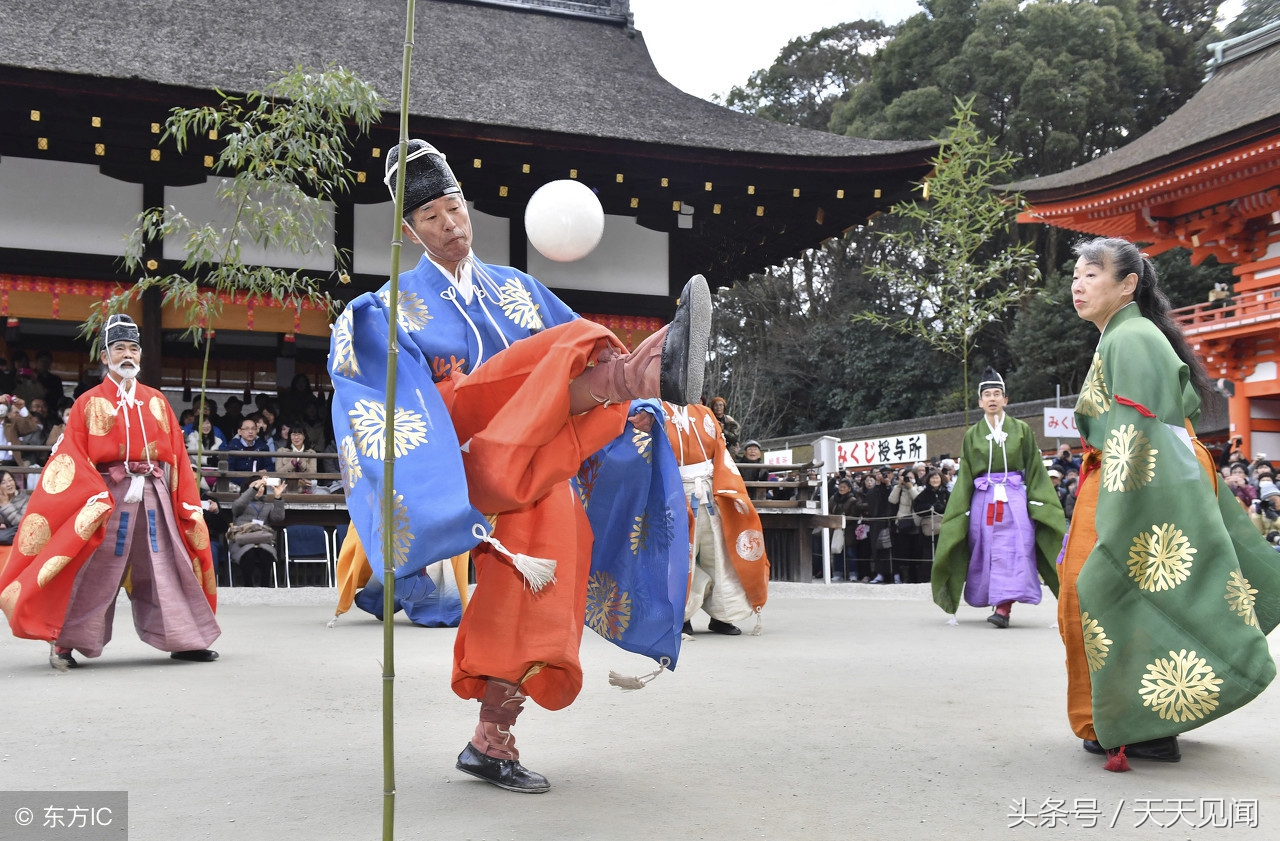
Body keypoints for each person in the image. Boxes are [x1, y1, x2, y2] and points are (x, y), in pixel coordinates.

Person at [329, 139, 708, 793]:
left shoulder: (518, 290)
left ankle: (492, 734)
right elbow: (384, 403)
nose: (449, 227)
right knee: (547, 357)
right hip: (466, 456)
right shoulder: (390, 308)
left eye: (454, 210)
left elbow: (573, 350)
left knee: (547, 574)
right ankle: (640, 372)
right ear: (408, 231)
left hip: (531, 465)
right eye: (430, 219)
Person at [1057, 237, 1280, 770]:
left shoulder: (1131, 338)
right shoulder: (1129, 334)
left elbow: (1140, 433)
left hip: (1133, 480)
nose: (1078, 286)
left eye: (1091, 275)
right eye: (1074, 278)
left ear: (1128, 284)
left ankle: (1142, 726)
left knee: (1111, 592)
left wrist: (1122, 511)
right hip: (1127, 474)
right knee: (1102, 596)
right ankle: (1131, 717)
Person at [0, 314, 219, 670]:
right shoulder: (88, 402)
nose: (127, 355)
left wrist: (188, 501)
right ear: (105, 357)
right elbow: (71, 455)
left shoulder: (157, 401)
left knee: (164, 565)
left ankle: (186, 639)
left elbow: (176, 455)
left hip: (153, 494)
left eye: (133, 348)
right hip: (105, 494)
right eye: (119, 349)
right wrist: (94, 494)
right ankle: (66, 641)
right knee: (95, 568)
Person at [931, 368, 1066, 627]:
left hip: (1014, 496)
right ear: (980, 402)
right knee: (986, 548)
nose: (992, 398)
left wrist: (1041, 503)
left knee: (1019, 546)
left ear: (1006, 399)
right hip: (984, 499)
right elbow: (966, 476)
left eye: (997, 394)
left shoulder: (1022, 430)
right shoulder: (972, 435)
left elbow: (1035, 469)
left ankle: (1004, 607)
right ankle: (997, 601)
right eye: (987, 395)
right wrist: (960, 510)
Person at [663, 401, 768, 634]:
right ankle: (682, 616)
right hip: (674, 491)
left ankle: (723, 614)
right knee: (681, 557)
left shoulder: (705, 413)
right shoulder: (655, 409)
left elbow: (721, 453)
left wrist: (730, 491)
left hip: (710, 491)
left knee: (721, 556)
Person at [228, 475, 285, 587]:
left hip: (262, 540)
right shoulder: (241, 503)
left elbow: (278, 518)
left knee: (266, 554)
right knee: (248, 554)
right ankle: (248, 586)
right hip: (242, 539)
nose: (260, 488)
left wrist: (278, 497)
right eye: (256, 486)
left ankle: (265, 586)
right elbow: (237, 506)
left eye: (262, 486)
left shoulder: (268, 506)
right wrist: (253, 489)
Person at [220, 416, 274, 481]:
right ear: (239, 431)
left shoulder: (263, 447)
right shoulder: (232, 446)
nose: (250, 431)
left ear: (257, 430)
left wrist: (266, 470)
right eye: (246, 429)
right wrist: (246, 482)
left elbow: (270, 466)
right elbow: (229, 469)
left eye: (253, 429)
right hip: (237, 483)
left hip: (258, 483)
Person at [281, 427, 317, 494]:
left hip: (306, 486)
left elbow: (313, 473)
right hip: (287, 486)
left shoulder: (311, 453)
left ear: (304, 436)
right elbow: (279, 472)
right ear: (290, 436)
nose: (296, 437)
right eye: (294, 434)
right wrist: (292, 463)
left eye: (299, 434)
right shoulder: (281, 451)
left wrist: (302, 463)